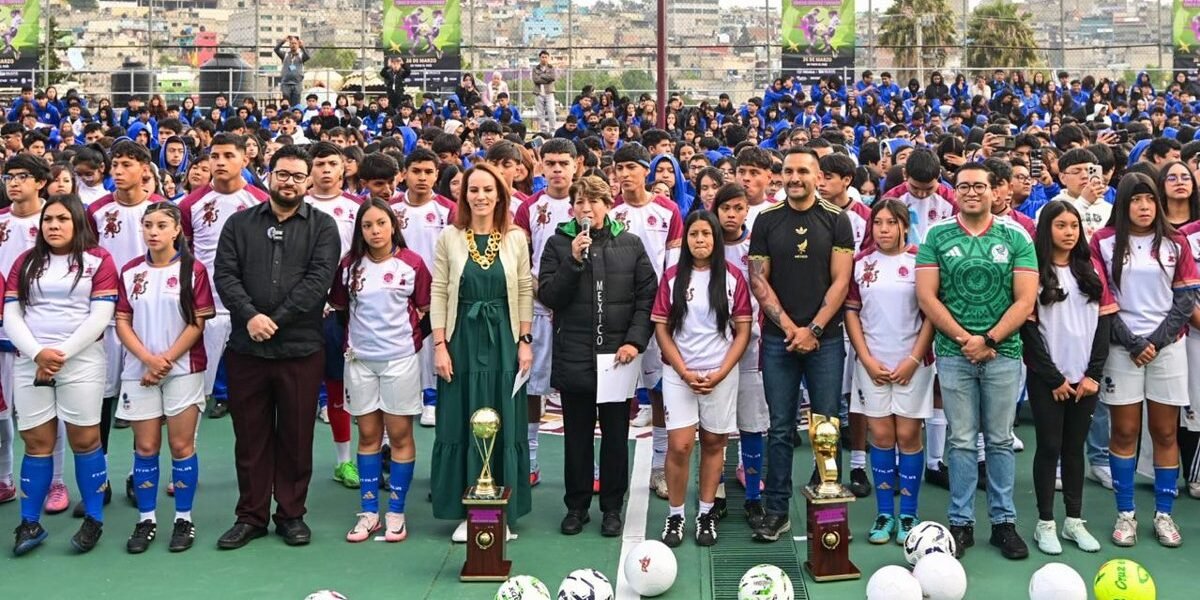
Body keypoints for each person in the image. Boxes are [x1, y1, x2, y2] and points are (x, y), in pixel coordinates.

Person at [212, 145, 340, 550]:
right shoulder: (239, 223)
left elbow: (318, 281)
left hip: (300, 349)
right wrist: (251, 316)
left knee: (296, 437)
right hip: (247, 348)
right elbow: (226, 275)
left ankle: (291, 514)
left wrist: (276, 318)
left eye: (297, 176)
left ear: (308, 181)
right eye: (282, 174)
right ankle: (250, 515)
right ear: (268, 175)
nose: (289, 182)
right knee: (250, 438)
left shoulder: (323, 227)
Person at [915, 163, 1037, 560]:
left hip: (1003, 353)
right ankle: (961, 523)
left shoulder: (1016, 235)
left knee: (1000, 440)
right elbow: (928, 297)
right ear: (955, 191)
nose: (971, 192)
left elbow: (1025, 300)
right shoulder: (937, 234)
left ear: (995, 190)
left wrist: (989, 339)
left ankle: (1004, 523)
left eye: (979, 185)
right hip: (953, 354)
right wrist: (964, 339)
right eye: (963, 185)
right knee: (962, 440)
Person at [538, 175, 656, 537]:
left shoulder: (631, 244)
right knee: (576, 437)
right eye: (579, 202)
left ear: (608, 204)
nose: (586, 208)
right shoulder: (558, 244)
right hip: (575, 355)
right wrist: (573, 262)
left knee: (616, 436)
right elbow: (549, 295)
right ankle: (576, 506)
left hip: (617, 359)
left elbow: (646, 297)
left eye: (593, 201)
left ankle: (611, 508)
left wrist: (634, 342)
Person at [748, 148, 853, 542]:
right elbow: (758, 280)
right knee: (779, 428)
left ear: (817, 175)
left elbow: (841, 281)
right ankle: (776, 511)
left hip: (825, 340)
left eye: (803, 171)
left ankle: (827, 513)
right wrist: (793, 328)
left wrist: (814, 329)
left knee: (826, 425)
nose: (794, 177)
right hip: (780, 340)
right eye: (788, 171)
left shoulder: (836, 219)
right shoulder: (766, 220)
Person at [1090, 172, 1198, 548]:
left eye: (1150, 199)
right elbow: (1103, 300)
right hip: (1123, 351)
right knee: (1124, 431)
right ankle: (1126, 514)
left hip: (1167, 349)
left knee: (1166, 432)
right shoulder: (1102, 242)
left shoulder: (1176, 241)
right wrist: (1133, 342)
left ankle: (1164, 514)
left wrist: (1154, 340)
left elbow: (1185, 299)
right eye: (1136, 200)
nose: (1144, 206)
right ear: (1123, 203)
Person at [8, 194, 118, 555]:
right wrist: (38, 353)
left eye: (62, 219)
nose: (53, 226)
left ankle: (94, 520)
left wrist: (60, 355)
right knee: (36, 443)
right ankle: (29, 523)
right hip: (30, 361)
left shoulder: (99, 260)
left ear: (78, 223)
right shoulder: (25, 262)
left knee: (85, 441)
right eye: (48, 220)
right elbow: (12, 315)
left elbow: (100, 316)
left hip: (82, 362)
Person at [429, 163, 533, 542]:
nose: (481, 196)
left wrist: (525, 340)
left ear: (501, 195)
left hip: (504, 341)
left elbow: (524, 288)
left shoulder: (516, 237)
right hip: (461, 341)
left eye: (489, 189)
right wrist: (439, 345)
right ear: (464, 195)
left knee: (502, 419)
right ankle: (466, 511)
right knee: (461, 419)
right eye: (474, 189)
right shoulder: (449, 237)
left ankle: (498, 512)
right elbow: (439, 291)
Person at [329, 198, 431, 544]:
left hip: (400, 362)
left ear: (393, 225)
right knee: (369, 436)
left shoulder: (412, 264)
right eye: (367, 226)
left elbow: (427, 311)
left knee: (400, 436)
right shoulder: (349, 266)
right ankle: (369, 512)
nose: (375, 231)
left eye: (381, 224)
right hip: (359, 363)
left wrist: (410, 342)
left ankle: (397, 513)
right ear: (360, 230)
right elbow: (342, 310)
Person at [115, 202, 214, 554]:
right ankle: (146, 520)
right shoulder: (129, 271)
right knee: (145, 447)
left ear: (176, 231)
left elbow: (197, 322)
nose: (153, 231)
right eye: (147, 225)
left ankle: (183, 518)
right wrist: (146, 359)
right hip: (137, 372)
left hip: (183, 370)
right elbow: (122, 320)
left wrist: (166, 360)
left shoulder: (194, 270)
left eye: (161, 225)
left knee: (181, 446)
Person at [653, 210, 751, 547]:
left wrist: (721, 371)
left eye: (706, 234)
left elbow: (742, 331)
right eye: (694, 234)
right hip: (680, 374)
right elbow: (661, 329)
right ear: (686, 239)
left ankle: (706, 512)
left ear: (716, 239)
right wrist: (683, 370)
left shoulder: (733, 277)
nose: (699, 240)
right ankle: (675, 515)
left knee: (713, 443)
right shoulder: (670, 278)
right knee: (679, 446)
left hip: (720, 374)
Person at [1019, 200, 1111, 555]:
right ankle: (1046, 523)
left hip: (1085, 381)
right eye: (1061, 225)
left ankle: (1074, 520)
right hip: (1049, 381)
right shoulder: (1034, 271)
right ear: (1047, 230)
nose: (1069, 232)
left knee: (1075, 450)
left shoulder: (1092, 270)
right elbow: (1030, 332)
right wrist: (1054, 378)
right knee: (1049, 448)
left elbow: (1103, 325)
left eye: (1074, 225)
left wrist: (1092, 375)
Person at [845, 199, 934, 545]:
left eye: (890, 223)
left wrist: (913, 359)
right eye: (877, 223)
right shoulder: (860, 263)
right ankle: (885, 514)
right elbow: (852, 313)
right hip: (873, 363)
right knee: (880, 435)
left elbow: (931, 313)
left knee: (909, 436)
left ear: (904, 226)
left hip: (913, 364)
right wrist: (866, 359)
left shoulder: (920, 261)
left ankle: (909, 514)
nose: (882, 229)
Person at [0, 154, 72, 514]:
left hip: (45, 333)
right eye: (8, 176)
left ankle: (57, 482)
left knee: (47, 413)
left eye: (22, 176)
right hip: (3, 329)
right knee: (5, 412)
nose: (13, 183)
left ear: (41, 182)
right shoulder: (0, 222)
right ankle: (5, 478)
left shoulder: (55, 221)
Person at [611, 143, 683, 501]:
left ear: (646, 171)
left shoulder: (668, 210)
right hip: (617, 313)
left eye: (631, 167)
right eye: (619, 168)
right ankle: (608, 469)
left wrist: (666, 309)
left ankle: (659, 466)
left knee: (659, 391)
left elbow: (673, 265)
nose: (624, 174)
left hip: (656, 313)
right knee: (613, 394)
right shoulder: (611, 211)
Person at [180, 134, 270, 420]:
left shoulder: (261, 200)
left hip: (250, 292)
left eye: (229, 156)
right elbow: (187, 248)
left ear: (245, 159)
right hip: (208, 292)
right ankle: (219, 394)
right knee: (209, 350)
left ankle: (245, 394)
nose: (220, 162)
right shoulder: (189, 204)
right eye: (215, 156)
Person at [514, 138, 578, 487]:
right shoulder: (529, 207)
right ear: (541, 166)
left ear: (575, 165)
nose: (556, 169)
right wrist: (545, 291)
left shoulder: (589, 203)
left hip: (578, 310)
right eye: (550, 163)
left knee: (580, 387)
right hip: (539, 306)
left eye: (563, 163)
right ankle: (531, 458)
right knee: (532, 386)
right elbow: (523, 260)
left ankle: (584, 463)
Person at [303, 142, 362, 488]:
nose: (325, 169)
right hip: (302, 310)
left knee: (339, 387)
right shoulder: (299, 206)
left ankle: (345, 461)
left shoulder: (357, 208)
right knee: (299, 390)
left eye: (331, 164)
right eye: (319, 163)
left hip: (343, 311)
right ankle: (294, 461)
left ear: (344, 169)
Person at [713, 184, 768, 529]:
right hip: (712, 347)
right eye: (725, 208)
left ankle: (752, 498)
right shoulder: (705, 244)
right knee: (715, 426)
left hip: (751, 347)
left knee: (752, 422)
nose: (731, 215)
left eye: (738, 208)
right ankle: (714, 493)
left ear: (747, 211)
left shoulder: (755, 248)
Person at [390, 148, 456, 428]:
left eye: (429, 172)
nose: (422, 177)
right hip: (396, 291)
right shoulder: (392, 208)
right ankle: (402, 398)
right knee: (400, 347)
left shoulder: (447, 209)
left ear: (437, 175)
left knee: (431, 346)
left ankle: (431, 399)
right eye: (416, 171)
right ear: (404, 174)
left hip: (435, 293)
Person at [274, 36, 310, 109]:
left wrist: (303, 47)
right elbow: (276, 50)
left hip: (297, 83)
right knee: (286, 104)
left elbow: (308, 56)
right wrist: (282, 42)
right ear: (289, 45)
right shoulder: (285, 55)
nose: (293, 45)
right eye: (291, 43)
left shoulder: (301, 55)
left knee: (296, 105)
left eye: (295, 43)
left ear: (298, 44)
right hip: (286, 83)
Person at [532, 50, 557, 134]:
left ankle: (552, 130)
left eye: (546, 57)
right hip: (538, 93)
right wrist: (546, 78)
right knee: (540, 113)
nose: (544, 59)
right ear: (540, 58)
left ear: (548, 58)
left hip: (549, 92)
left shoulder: (551, 68)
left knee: (551, 111)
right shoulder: (535, 68)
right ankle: (543, 130)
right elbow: (535, 79)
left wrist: (541, 76)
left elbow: (552, 78)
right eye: (542, 57)